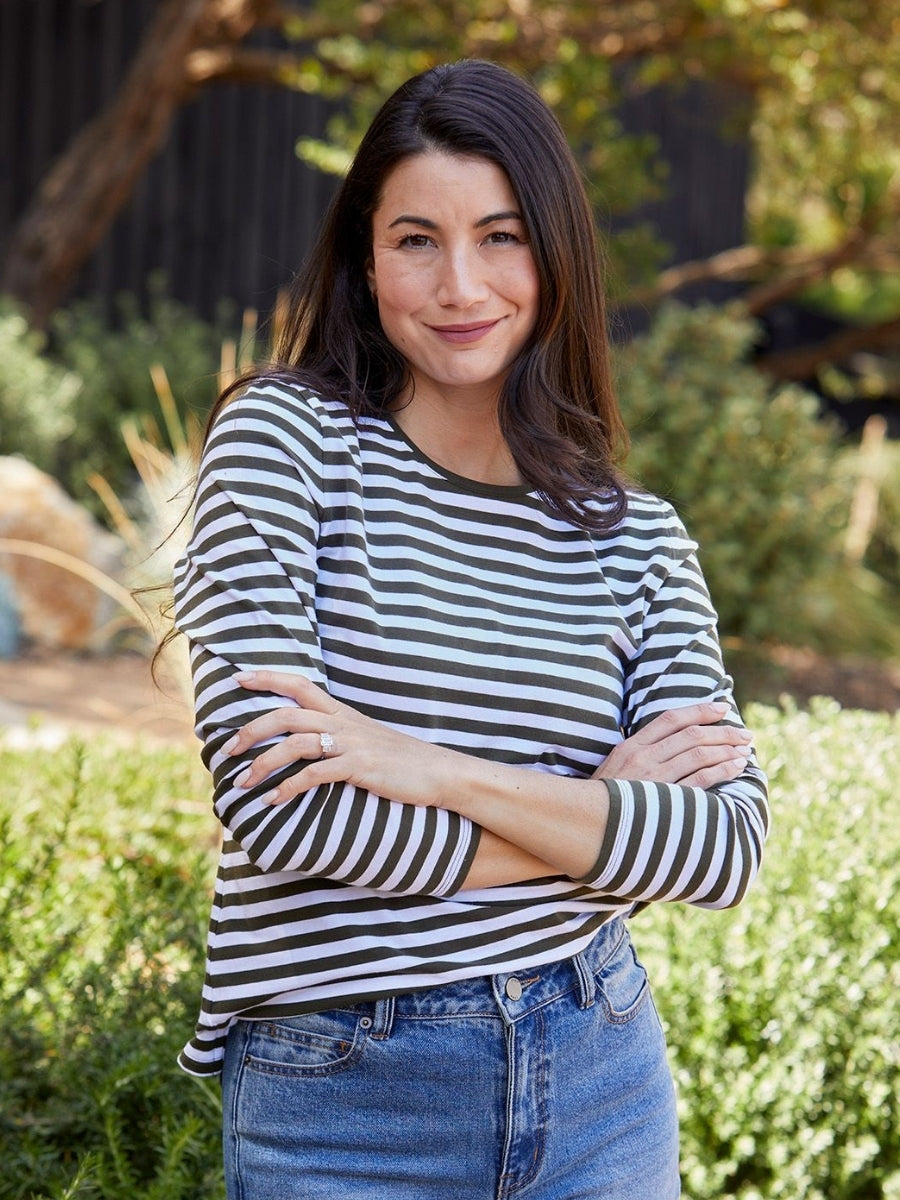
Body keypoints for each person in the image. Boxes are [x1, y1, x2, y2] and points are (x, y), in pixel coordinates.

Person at [173, 59, 769, 1200]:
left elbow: (727, 845)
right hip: (344, 1094)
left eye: (500, 237)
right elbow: (282, 810)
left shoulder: (636, 537)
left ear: (553, 256)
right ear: (364, 256)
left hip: (600, 1072)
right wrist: (597, 817)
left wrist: (422, 766)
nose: (459, 284)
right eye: (415, 240)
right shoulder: (284, 444)